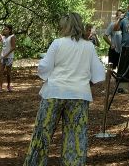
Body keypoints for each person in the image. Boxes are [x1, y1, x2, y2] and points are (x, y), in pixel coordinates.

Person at [22, 12, 106, 166]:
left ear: (65, 27)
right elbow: (99, 74)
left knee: (43, 133)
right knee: (75, 137)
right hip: (80, 96)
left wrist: (48, 75)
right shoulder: (89, 46)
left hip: (54, 92)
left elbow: (44, 68)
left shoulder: (58, 43)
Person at [0, 23, 16, 92]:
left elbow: (13, 47)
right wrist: (1, 55)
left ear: (10, 30)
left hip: (9, 57)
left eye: (6, 29)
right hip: (3, 57)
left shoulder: (12, 37)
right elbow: (2, 47)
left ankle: (8, 86)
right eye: (4, 29)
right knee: (0, 72)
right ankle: (0, 87)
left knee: (8, 73)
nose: (4, 30)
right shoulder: (2, 37)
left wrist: (6, 55)